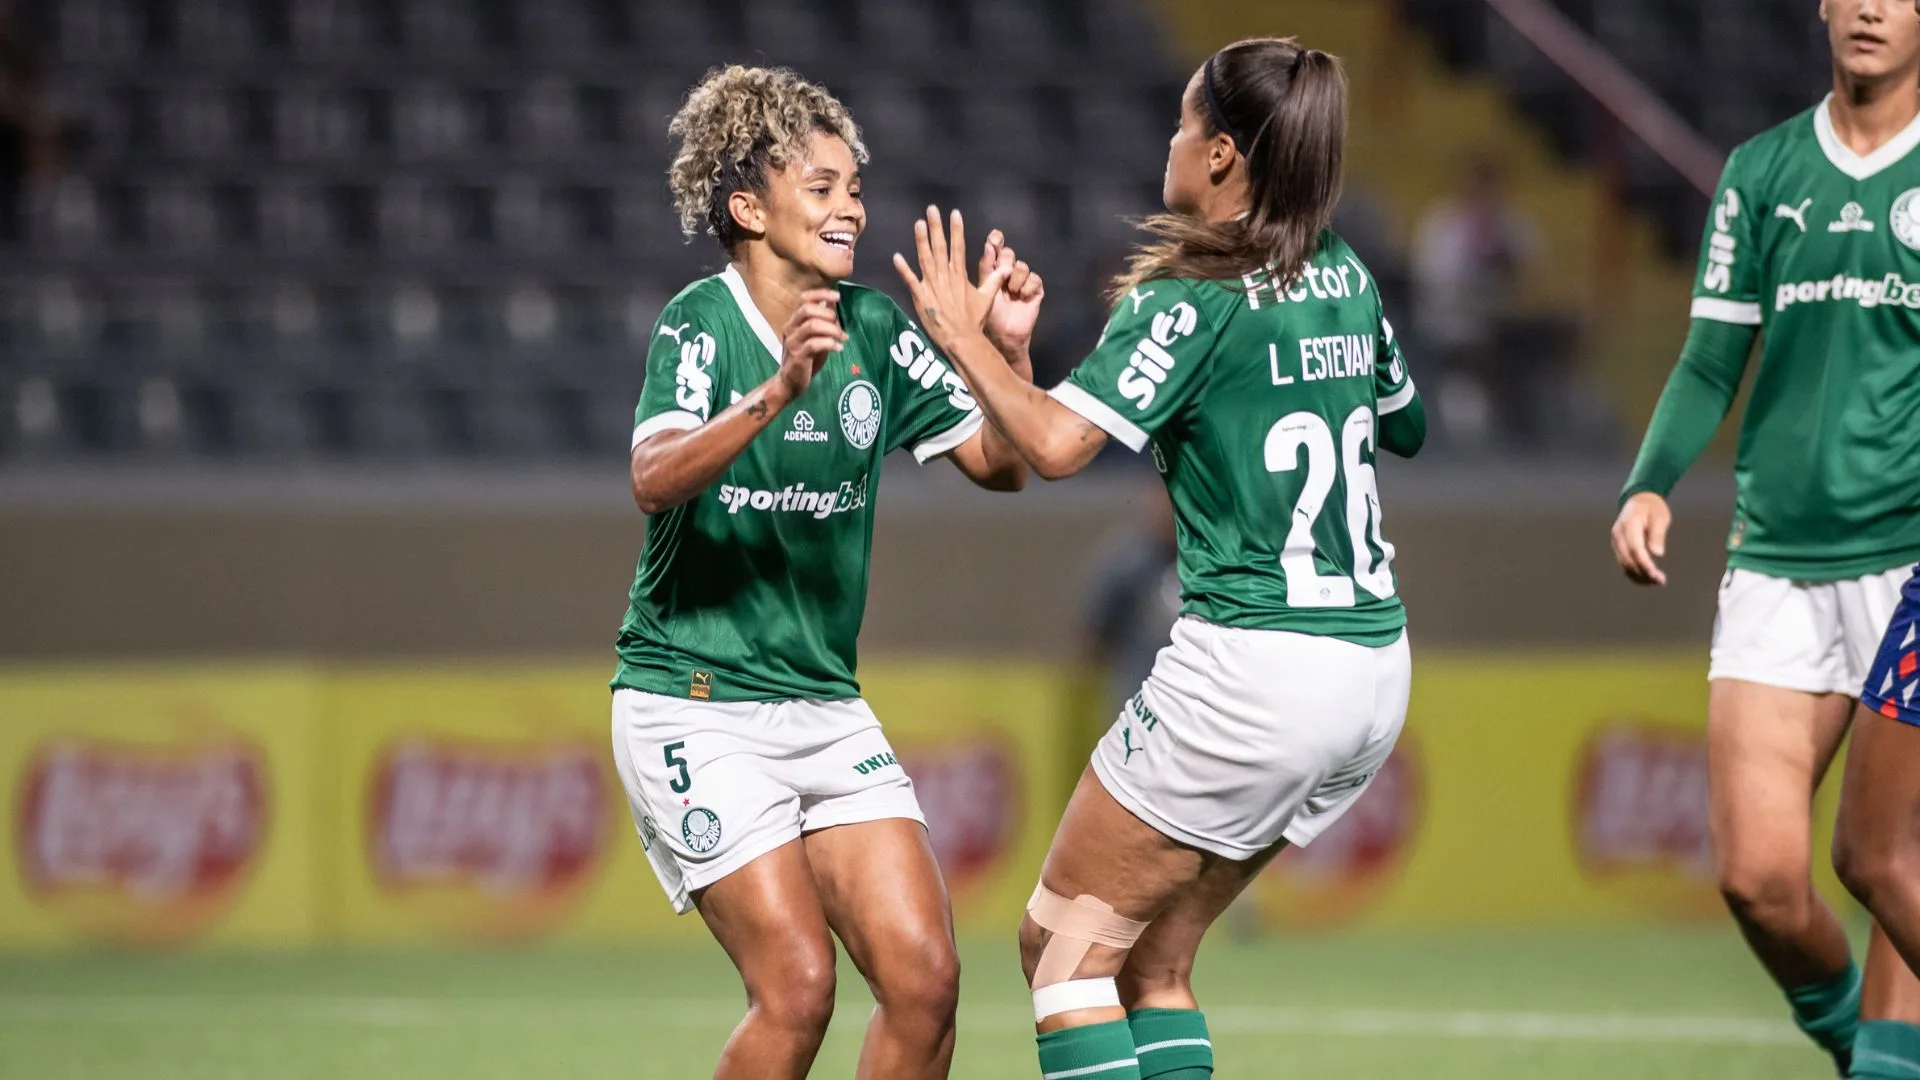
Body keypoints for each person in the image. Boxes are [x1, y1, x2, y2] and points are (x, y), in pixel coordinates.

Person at [894, 37, 1424, 1080]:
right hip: (1371, 667)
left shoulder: (1189, 294)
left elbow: (1052, 449)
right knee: (1155, 960)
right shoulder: (1347, 272)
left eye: (1185, 125)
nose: (1170, 142)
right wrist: (1019, 362)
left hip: (1254, 669)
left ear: (1224, 155)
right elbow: (1403, 426)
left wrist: (963, 340)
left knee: (1060, 954)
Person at [607, 65, 1041, 1080]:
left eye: (855, 186)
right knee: (798, 990)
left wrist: (1002, 359)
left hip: (821, 705)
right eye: (822, 185)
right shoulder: (699, 323)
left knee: (927, 983)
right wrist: (779, 389)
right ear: (749, 207)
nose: (850, 204)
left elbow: (1003, 468)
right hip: (693, 700)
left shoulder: (877, 331)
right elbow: (652, 477)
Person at [1610, 2, 1920, 1075]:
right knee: (1759, 881)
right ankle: (1860, 1049)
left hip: (1907, 565)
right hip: (1776, 565)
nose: (1874, 6)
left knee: (1889, 866)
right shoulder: (1763, 171)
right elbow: (1709, 362)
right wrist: (1650, 484)